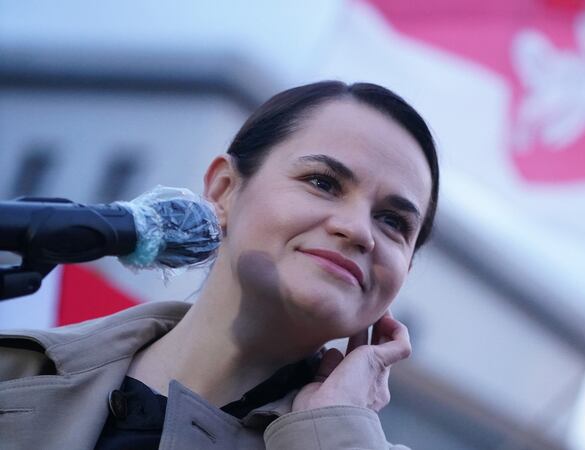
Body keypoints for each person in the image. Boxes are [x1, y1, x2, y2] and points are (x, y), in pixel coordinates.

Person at [0, 80, 439, 449]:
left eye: (393, 221)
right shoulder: (13, 371)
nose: (358, 230)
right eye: (322, 182)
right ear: (225, 189)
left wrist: (332, 432)